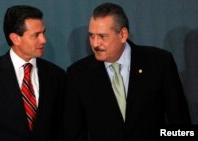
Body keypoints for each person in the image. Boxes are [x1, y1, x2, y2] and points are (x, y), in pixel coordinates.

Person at [64, 2, 191, 141]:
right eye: (91, 36)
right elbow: (73, 133)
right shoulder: (78, 75)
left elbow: (180, 122)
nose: (95, 43)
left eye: (102, 36)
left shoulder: (159, 63)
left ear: (123, 34)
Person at [0, 5, 65, 141]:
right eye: (36, 35)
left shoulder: (56, 75)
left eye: (43, 32)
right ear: (15, 38)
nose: (43, 40)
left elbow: (62, 128)